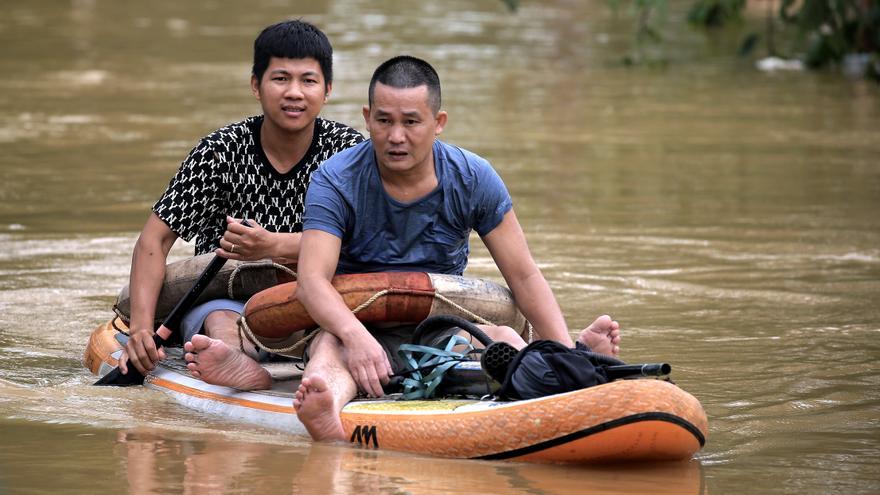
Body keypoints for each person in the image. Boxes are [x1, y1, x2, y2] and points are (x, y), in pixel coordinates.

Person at [292, 55, 621, 441]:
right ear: (367, 118)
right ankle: (325, 410)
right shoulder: (335, 179)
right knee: (328, 350)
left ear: (438, 123)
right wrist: (356, 336)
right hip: (358, 325)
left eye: (411, 122)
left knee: (505, 341)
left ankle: (572, 361)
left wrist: (563, 353)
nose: (396, 136)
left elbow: (524, 274)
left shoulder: (473, 177)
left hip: (441, 326)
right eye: (384, 121)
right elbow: (311, 281)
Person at [117, 20, 364, 391]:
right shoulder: (219, 152)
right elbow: (154, 241)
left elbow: (370, 238)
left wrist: (274, 246)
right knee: (220, 322)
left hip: (317, 295)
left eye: (308, 81)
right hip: (226, 296)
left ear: (327, 90)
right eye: (280, 78)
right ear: (256, 86)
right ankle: (232, 360)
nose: (294, 93)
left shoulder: (348, 153)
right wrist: (140, 330)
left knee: (334, 324)